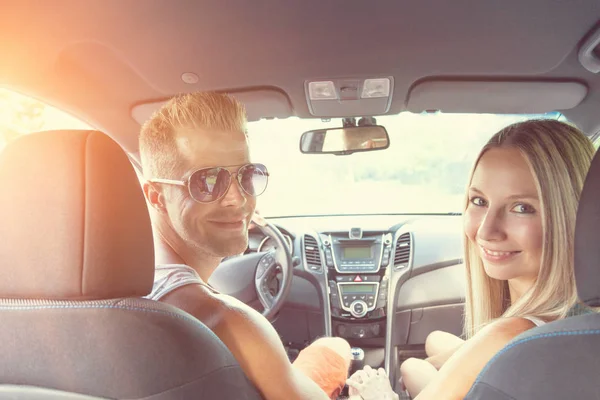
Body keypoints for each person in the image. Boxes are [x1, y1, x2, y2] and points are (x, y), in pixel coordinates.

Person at [347, 119, 595, 399]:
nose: (486, 231)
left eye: (522, 207)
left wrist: (376, 392)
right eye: (478, 201)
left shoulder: (508, 337)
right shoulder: (582, 325)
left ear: (573, 214)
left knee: (412, 369)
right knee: (427, 352)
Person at [138, 92, 351, 400]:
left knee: (333, 347)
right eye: (208, 182)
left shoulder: (125, 290)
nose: (238, 199)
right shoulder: (230, 322)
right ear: (157, 196)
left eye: (247, 176)